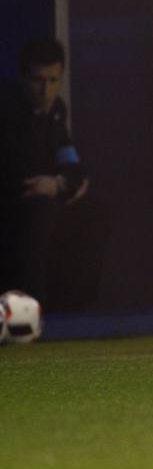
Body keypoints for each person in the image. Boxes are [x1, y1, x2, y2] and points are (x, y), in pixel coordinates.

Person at [0, 37, 110, 311]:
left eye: (53, 80)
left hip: (45, 199)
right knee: (40, 210)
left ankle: (79, 312)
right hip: (11, 207)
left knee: (97, 210)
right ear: (23, 77)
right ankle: (29, 311)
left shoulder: (57, 111)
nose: (45, 90)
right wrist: (57, 186)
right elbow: (18, 174)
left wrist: (59, 185)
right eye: (38, 80)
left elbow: (73, 168)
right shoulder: (6, 109)